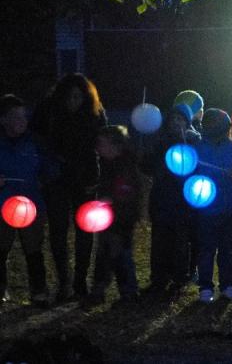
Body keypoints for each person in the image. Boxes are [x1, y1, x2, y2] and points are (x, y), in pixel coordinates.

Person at [30, 73, 107, 299]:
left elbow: (103, 141)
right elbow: (35, 137)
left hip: (85, 177)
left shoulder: (94, 112)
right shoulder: (48, 110)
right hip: (57, 177)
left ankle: (80, 280)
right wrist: (50, 159)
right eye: (70, 97)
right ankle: (64, 281)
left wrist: (98, 175)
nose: (73, 101)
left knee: (85, 228)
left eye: (78, 97)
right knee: (58, 229)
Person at [0, 95, 51, 307]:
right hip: (2, 204)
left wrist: (44, 179)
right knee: (1, 248)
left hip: (31, 205)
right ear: (3, 120)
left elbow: (50, 167)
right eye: (15, 117)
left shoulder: (35, 142)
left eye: (23, 116)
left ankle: (39, 292)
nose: (22, 121)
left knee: (33, 249)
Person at [144, 104, 199, 296]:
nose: (176, 122)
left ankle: (179, 278)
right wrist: (147, 154)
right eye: (173, 119)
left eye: (180, 119)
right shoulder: (160, 141)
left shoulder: (193, 142)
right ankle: (159, 278)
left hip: (183, 200)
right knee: (160, 241)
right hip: (162, 198)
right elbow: (147, 167)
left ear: (187, 122)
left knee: (180, 241)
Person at [86, 125, 144, 305]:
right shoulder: (108, 163)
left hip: (122, 218)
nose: (98, 147)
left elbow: (127, 192)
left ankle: (128, 292)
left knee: (120, 254)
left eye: (102, 143)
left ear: (115, 146)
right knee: (105, 253)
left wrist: (110, 199)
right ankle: (100, 290)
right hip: (109, 217)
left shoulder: (126, 166)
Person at [193, 109, 232, 303]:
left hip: (230, 206)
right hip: (207, 208)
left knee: (227, 249)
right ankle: (206, 287)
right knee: (206, 249)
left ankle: (227, 285)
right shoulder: (198, 148)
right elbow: (191, 175)